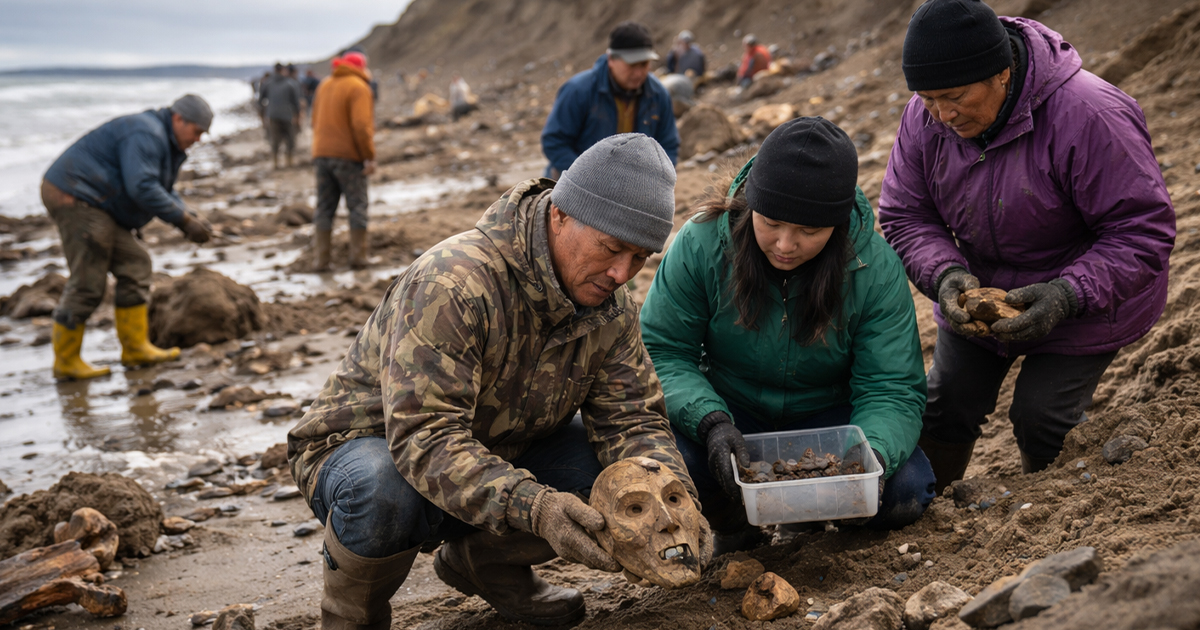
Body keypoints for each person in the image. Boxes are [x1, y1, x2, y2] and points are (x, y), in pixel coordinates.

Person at [287, 134, 711, 629]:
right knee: (382, 490)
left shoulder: (611, 307)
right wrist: (538, 508)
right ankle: (349, 621)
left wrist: (672, 495)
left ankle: (485, 565)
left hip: (505, 451)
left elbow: (632, 420)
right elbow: (425, 439)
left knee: (635, 472)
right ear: (560, 215)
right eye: (612, 248)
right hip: (372, 449)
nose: (622, 273)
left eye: (639, 257)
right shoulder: (453, 284)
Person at [879, 0, 1175, 493]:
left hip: (1086, 296)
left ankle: (1045, 521)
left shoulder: (1090, 113)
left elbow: (1141, 230)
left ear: (1001, 73)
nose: (942, 114)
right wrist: (946, 276)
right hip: (983, 290)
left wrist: (1066, 295)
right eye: (927, 98)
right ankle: (924, 511)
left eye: (953, 96)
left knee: (1042, 417)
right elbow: (907, 214)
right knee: (946, 404)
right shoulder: (926, 117)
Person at [641, 118, 933, 551]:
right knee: (672, 466)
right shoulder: (701, 243)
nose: (784, 244)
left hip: (829, 421)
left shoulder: (874, 267)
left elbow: (891, 387)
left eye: (809, 231)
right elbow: (662, 351)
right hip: (731, 412)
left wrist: (861, 460)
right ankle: (735, 523)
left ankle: (812, 518)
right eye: (771, 222)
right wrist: (712, 423)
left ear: (834, 226)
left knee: (904, 489)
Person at [41, 95, 214, 380]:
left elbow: (160, 186)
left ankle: (135, 348)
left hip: (98, 202)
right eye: (196, 132)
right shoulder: (146, 133)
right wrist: (183, 222)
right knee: (88, 281)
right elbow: (143, 187)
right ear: (178, 118)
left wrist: (190, 216)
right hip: (76, 196)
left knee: (135, 263)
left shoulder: (160, 137)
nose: (197, 140)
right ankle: (66, 361)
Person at [541, 21, 679, 179]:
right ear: (611, 59)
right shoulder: (578, 91)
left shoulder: (658, 95)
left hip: (630, 185)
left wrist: (655, 181)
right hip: (575, 182)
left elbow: (668, 146)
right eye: (632, 65)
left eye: (644, 64)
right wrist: (586, 178)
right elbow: (554, 142)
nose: (639, 73)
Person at [310, 51, 375, 271]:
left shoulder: (325, 84)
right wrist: (368, 157)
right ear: (361, 68)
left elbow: (314, 121)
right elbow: (361, 127)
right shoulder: (358, 87)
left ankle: (322, 260)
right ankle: (358, 257)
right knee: (357, 206)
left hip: (321, 154)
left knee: (324, 207)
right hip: (348, 157)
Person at [260, 62, 303, 169]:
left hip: (272, 115)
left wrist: (263, 115)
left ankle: (275, 162)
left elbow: (261, 100)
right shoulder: (290, 83)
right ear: (283, 70)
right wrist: (298, 116)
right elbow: (296, 102)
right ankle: (289, 162)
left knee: (275, 139)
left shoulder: (267, 83)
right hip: (288, 115)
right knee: (290, 139)